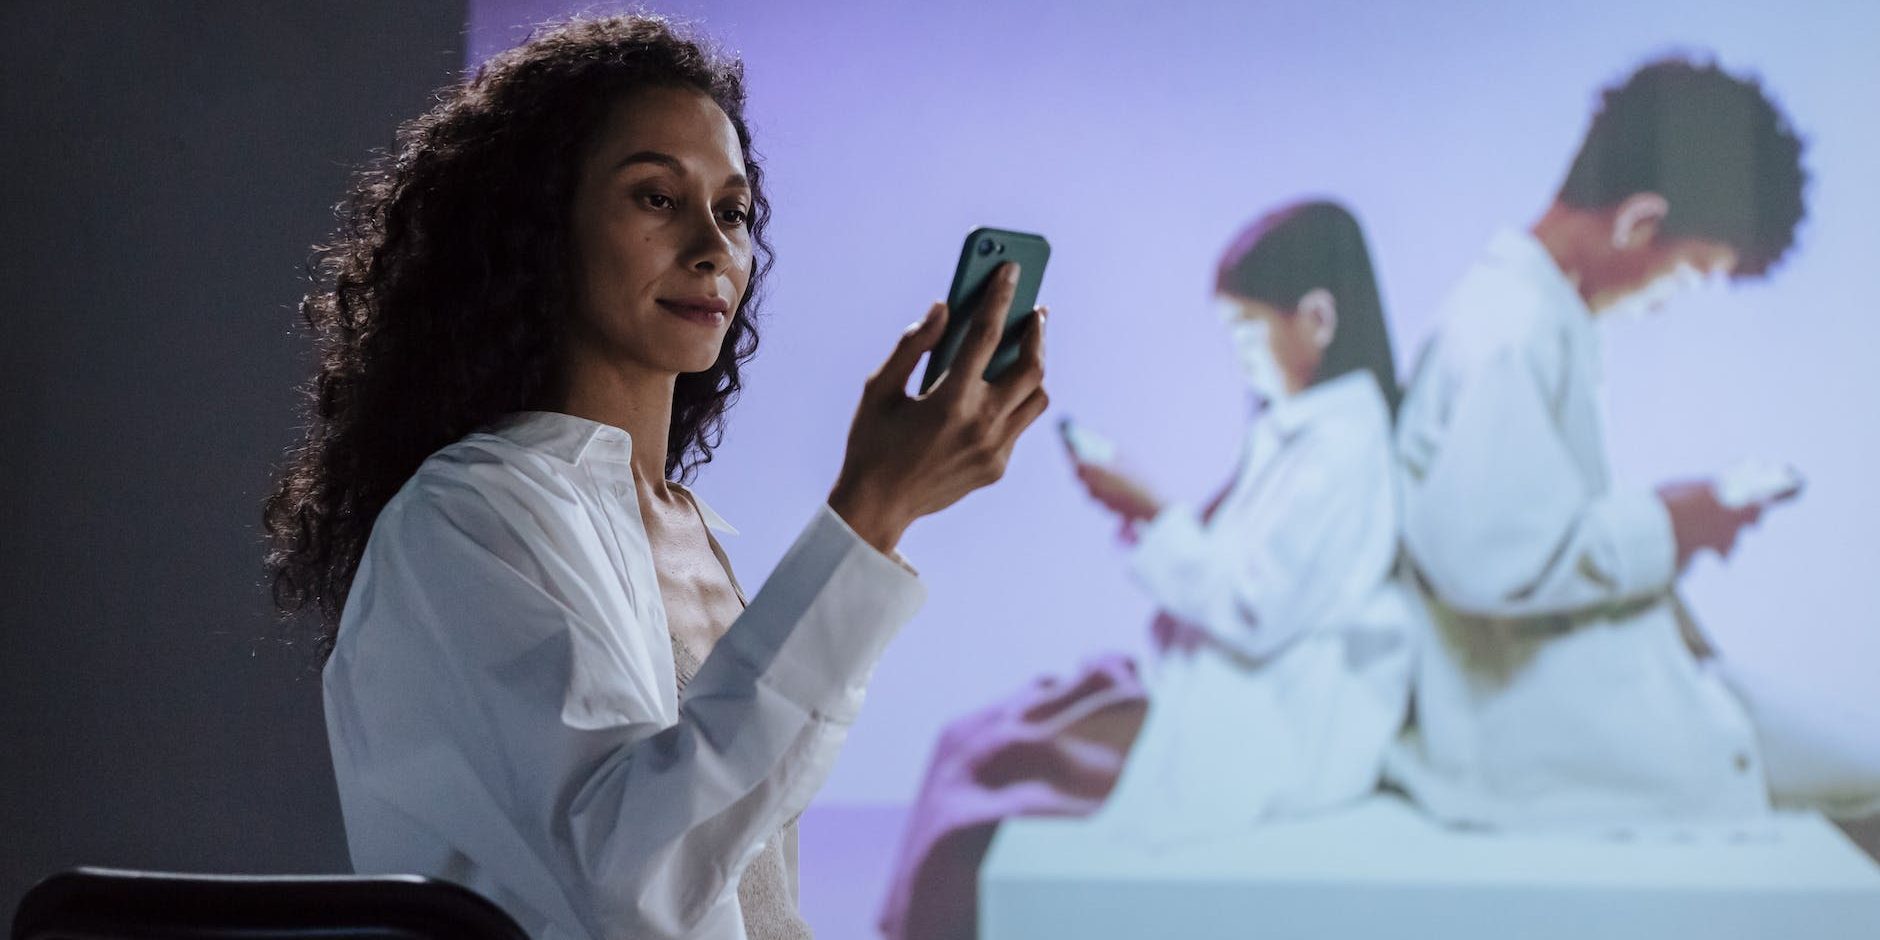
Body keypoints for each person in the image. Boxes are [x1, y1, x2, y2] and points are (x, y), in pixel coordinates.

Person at [261, 16, 1049, 940]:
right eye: (656, 198)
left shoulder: (693, 533)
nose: (714, 246)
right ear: (539, 225)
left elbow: (742, 896)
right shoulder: (468, 515)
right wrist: (872, 512)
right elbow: (629, 882)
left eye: (735, 210)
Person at [1386, 56, 1880, 827]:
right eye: (1686, 275)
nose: (1664, 305)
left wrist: (1680, 522)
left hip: (1584, 683)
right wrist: (1675, 521)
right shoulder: (1510, 329)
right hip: (1526, 721)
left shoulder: (1542, 318)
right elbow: (1490, 560)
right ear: (1639, 224)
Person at [1070, 200, 1415, 837]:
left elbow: (1254, 610)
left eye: (1248, 331)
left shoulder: (1343, 447)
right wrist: (1154, 517)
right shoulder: (1297, 430)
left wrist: (1153, 511)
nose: (1240, 355)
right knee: (1024, 726)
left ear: (1317, 320)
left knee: (992, 761)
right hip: (1243, 691)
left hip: (1285, 721)